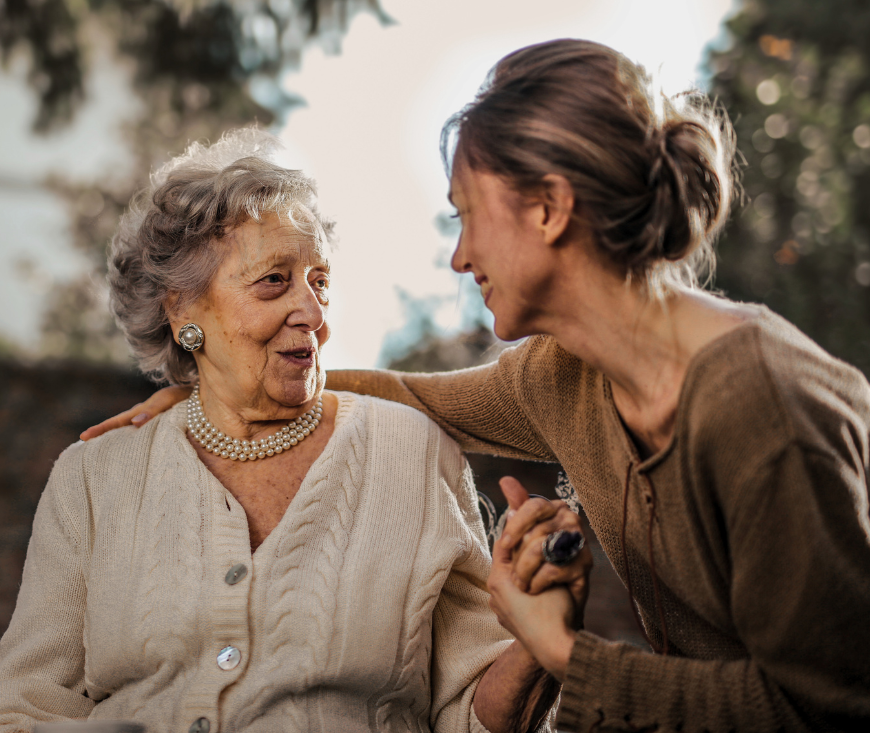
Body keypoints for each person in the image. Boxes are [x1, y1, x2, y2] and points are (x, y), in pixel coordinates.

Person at [88, 40, 870, 732]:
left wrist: (561, 650)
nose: (460, 257)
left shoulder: (762, 409)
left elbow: (826, 706)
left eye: (467, 216)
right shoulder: (564, 375)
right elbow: (411, 396)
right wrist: (221, 390)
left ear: (550, 209)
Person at [0, 129, 565, 733]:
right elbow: (19, 703)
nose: (315, 313)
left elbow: (472, 716)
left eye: (319, 281)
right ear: (182, 308)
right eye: (274, 280)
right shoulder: (93, 477)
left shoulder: (413, 453)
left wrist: (538, 645)